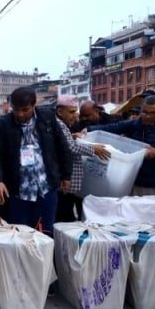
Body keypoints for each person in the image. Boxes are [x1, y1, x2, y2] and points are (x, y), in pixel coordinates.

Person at [88, 95, 155, 221]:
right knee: (134, 222)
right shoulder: (133, 125)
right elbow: (110, 128)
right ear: (140, 110)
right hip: (135, 183)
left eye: (152, 113)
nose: (147, 116)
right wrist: (86, 130)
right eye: (145, 112)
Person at [0, 87, 73, 231]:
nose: (20, 114)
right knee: (19, 236)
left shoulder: (47, 119)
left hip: (46, 188)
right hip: (18, 191)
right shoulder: (3, 124)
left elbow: (63, 146)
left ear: (34, 105)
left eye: (25, 109)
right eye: (16, 109)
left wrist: (66, 175)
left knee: (45, 233)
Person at [55, 94, 110, 222]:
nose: (75, 116)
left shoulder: (64, 125)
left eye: (76, 112)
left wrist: (72, 136)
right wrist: (93, 149)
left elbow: (66, 143)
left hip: (70, 182)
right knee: (64, 216)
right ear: (60, 111)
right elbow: (70, 148)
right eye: (71, 112)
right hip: (64, 181)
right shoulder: (59, 125)